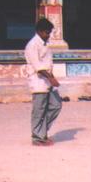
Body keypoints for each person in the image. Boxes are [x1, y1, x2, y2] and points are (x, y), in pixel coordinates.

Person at [25, 18, 62, 146]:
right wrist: (51, 78)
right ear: (40, 31)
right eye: (47, 32)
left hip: (48, 81)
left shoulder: (45, 44)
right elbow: (38, 67)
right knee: (39, 110)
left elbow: (47, 64)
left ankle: (42, 132)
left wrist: (52, 77)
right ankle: (37, 137)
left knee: (56, 105)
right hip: (38, 81)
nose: (48, 35)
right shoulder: (32, 45)